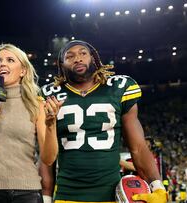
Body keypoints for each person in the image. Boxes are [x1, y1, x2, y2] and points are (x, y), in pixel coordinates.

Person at [40, 40, 168, 203]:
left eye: (83, 53)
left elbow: (138, 147)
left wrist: (157, 186)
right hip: (67, 196)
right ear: (61, 64)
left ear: (93, 58)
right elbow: (47, 158)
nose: (77, 58)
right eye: (70, 56)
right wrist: (46, 197)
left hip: (110, 195)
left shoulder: (119, 87)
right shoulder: (49, 95)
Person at [0, 43, 63, 203]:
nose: (2, 63)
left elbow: (49, 158)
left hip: (27, 192)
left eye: (10, 60)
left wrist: (51, 125)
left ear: (23, 71)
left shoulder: (37, 105)